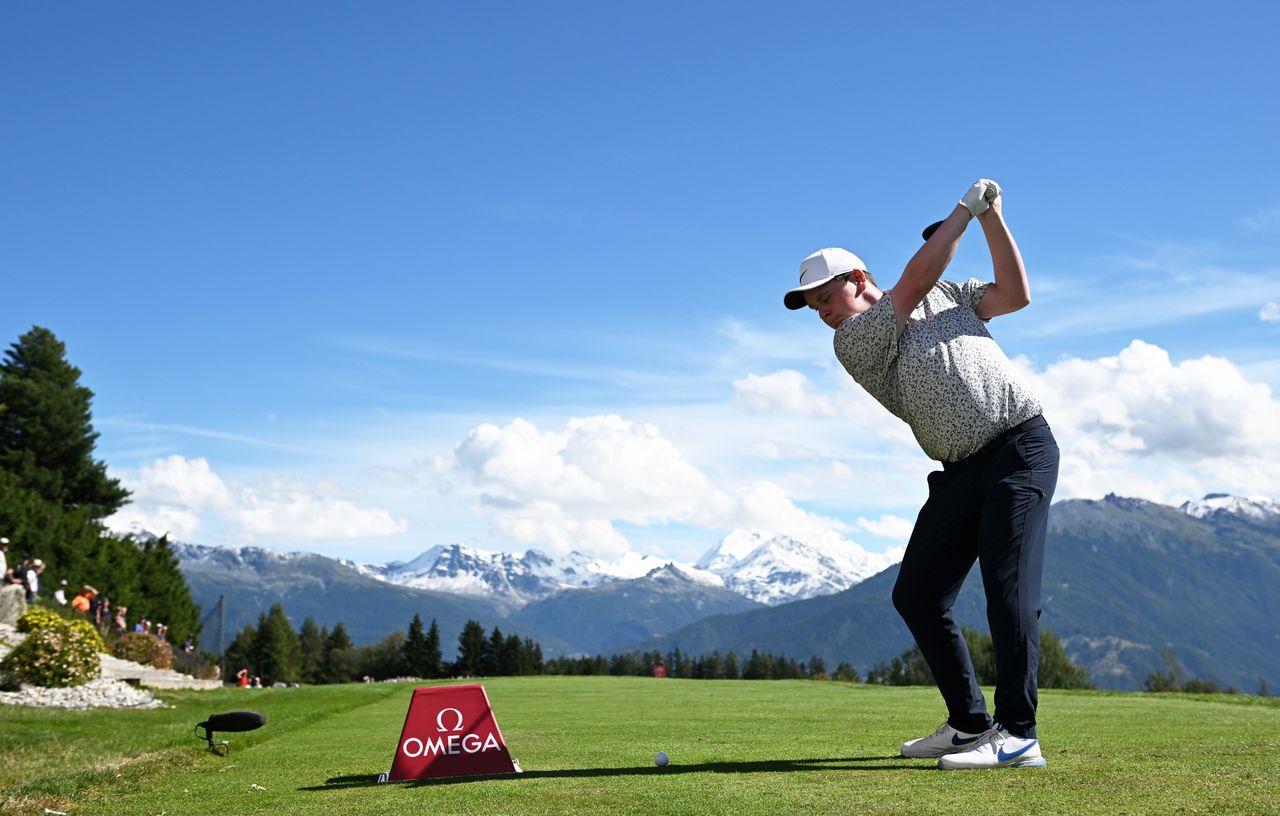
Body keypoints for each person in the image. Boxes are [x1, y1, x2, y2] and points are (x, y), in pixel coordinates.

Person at [784, 179, 1059, 770]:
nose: (822, 314)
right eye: (813, 309)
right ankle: (968, 723)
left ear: (857, 280)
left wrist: (991, 219)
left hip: (1020, 449)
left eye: (824, 298)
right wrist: (963, 212)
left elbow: (1015, 294)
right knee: (917, 594)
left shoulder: (948, 296)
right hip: (960, 472)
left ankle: (1018, 735)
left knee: (1008, 591)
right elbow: (911, 282)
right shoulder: (856, 340)